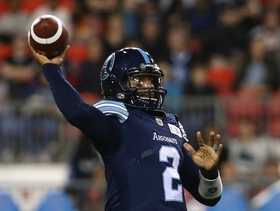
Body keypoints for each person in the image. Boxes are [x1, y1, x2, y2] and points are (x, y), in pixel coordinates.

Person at [28, 43, 223, 210]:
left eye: (151, 79)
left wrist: (209, 172)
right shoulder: (119, 121)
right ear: (116, 84)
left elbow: (209, 197)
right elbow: (77, 112)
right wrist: (51, 69)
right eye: (139, 79)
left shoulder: (171, 125)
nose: (149, 86)